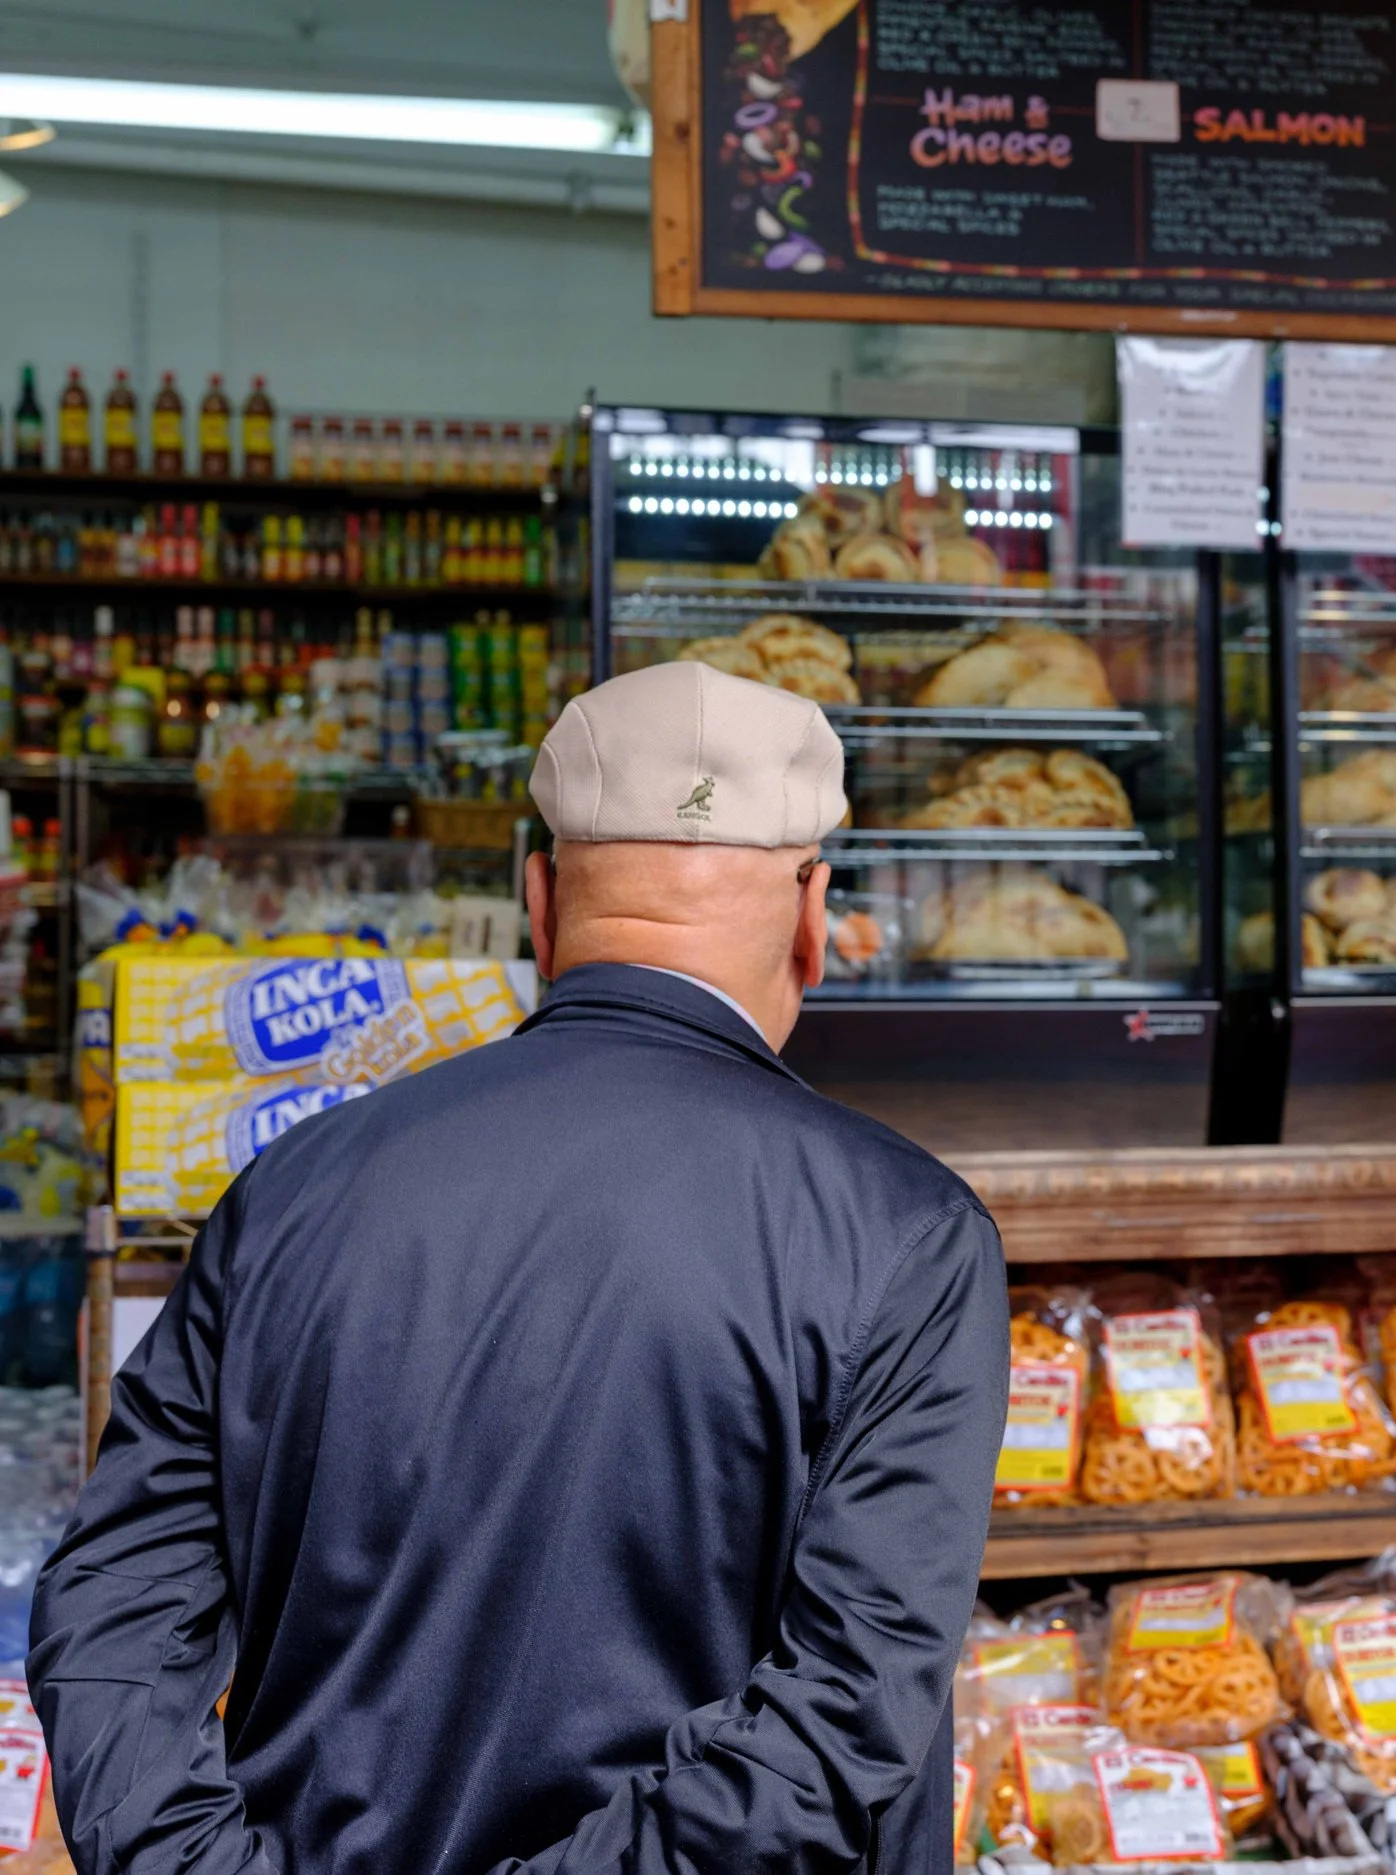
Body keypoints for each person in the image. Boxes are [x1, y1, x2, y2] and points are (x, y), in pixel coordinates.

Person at [30, 662, 1010, 1875]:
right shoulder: (909, 1235)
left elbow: (114, 1607)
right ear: (815, 910)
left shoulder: (293, 1187)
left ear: (539, 902)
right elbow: (842, 1720)